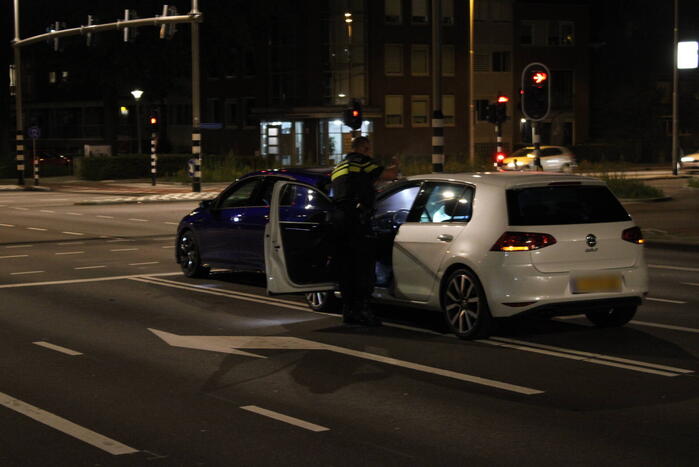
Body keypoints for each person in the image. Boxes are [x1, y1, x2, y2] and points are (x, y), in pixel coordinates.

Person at [330, 136, 398, 326]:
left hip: (339, 221)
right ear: (362, 149)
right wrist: (396, 165)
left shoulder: (339, 167)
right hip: (356, 220)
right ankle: (363, 311)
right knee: (364, 268)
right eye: (368, 149)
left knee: (347, 268)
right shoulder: (362, 163)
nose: (369, 153)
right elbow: (389, 175)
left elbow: (349, 187)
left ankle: (348, 310)